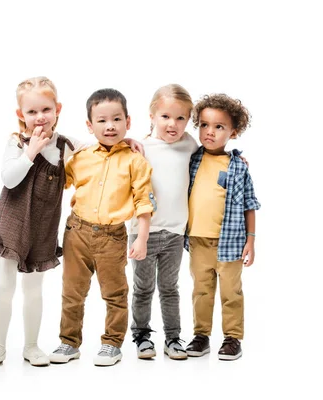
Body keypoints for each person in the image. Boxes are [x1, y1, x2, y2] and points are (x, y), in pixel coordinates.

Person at [0, 77, 142, 370]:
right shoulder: (16, 142)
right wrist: (31, 151)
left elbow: (100, 149)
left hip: (42, 228)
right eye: (31, 112)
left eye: (46, 109)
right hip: (12, 224)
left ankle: (31, 346)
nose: (40, 117)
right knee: (4, 287)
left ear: (58, 109)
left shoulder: (68, 145)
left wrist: (125, 142)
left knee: (33, 289)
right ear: (21, 115)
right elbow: (9, 178)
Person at [49, 88, 155, 367]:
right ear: (90, 125)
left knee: (115, 293)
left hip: (112, 237)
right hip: (77, 232)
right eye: (102, 120)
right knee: (72, 291)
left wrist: (141, 239)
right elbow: (55, 186)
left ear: (128, 122)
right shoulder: (80, 157)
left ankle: (112, 343)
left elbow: (143, 202)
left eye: (117, 119)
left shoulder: (135, 160)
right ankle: (68, 342)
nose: (110, 126)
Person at [184, 93, 260, 361]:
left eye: (219, 127)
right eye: (204, 125)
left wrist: (250, 240)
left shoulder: (238, 166)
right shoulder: (191, 159)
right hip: (197, 240)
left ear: (233, 132)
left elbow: (249, 204)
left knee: (231, 292)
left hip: (230, 242)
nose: (210, 132)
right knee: (201, 291)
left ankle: (232, 338)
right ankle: (201, 335)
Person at [128, 84, 199, 360]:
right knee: (143, 287)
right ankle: (142, 335)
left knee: (170, 288)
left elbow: (210, 155)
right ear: (152, 115)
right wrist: (126, 141)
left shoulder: (189, 145)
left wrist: (237, 158)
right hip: (144, 232)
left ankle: (173, 338)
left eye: (181, 118)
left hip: (175, 233)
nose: (173, 124)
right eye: (166, 116)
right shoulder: (141, 148)